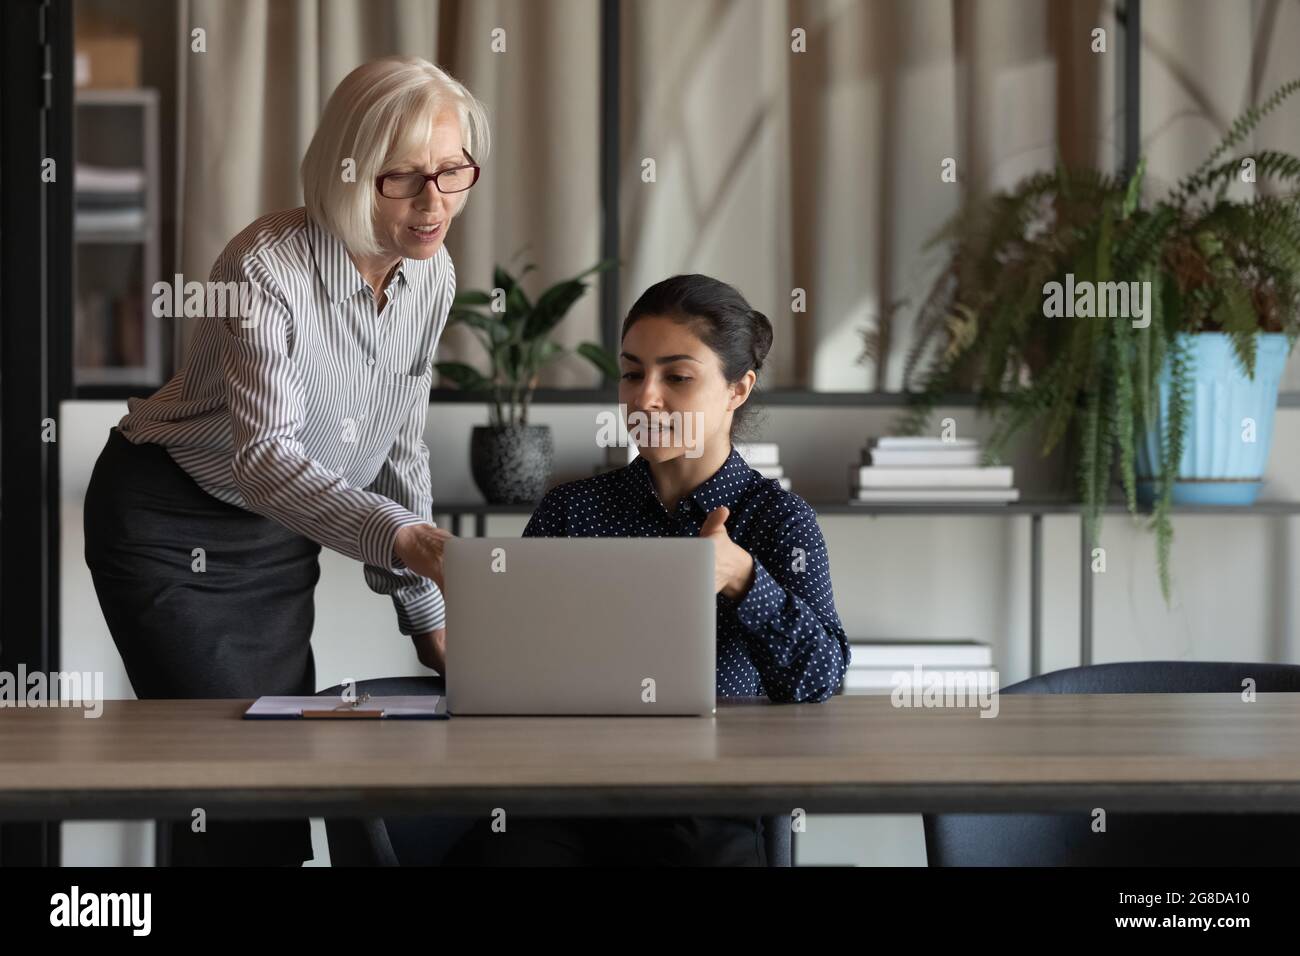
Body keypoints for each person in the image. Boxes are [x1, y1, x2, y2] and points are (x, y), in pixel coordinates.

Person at [82, 55, 486, 865]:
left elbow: (399, 435)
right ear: (348, 169)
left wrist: (427, 616)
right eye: (400, 178)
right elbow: (267, 458)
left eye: (452, 171)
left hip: (275, 536)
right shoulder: (265, 267)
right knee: (230, 789)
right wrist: (408, 543)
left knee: (280, 774)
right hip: (170, 522)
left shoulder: (431, 273)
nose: (433, 201)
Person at [442, 273, 851, 866]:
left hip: (708, 798)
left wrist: (743, 578)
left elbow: (823, 679)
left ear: (738, 389)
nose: (645, 398)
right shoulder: (571, 509)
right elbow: (507, 671)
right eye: (632, 373)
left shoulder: (779, 521)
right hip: (564, 794)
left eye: (677, 377)